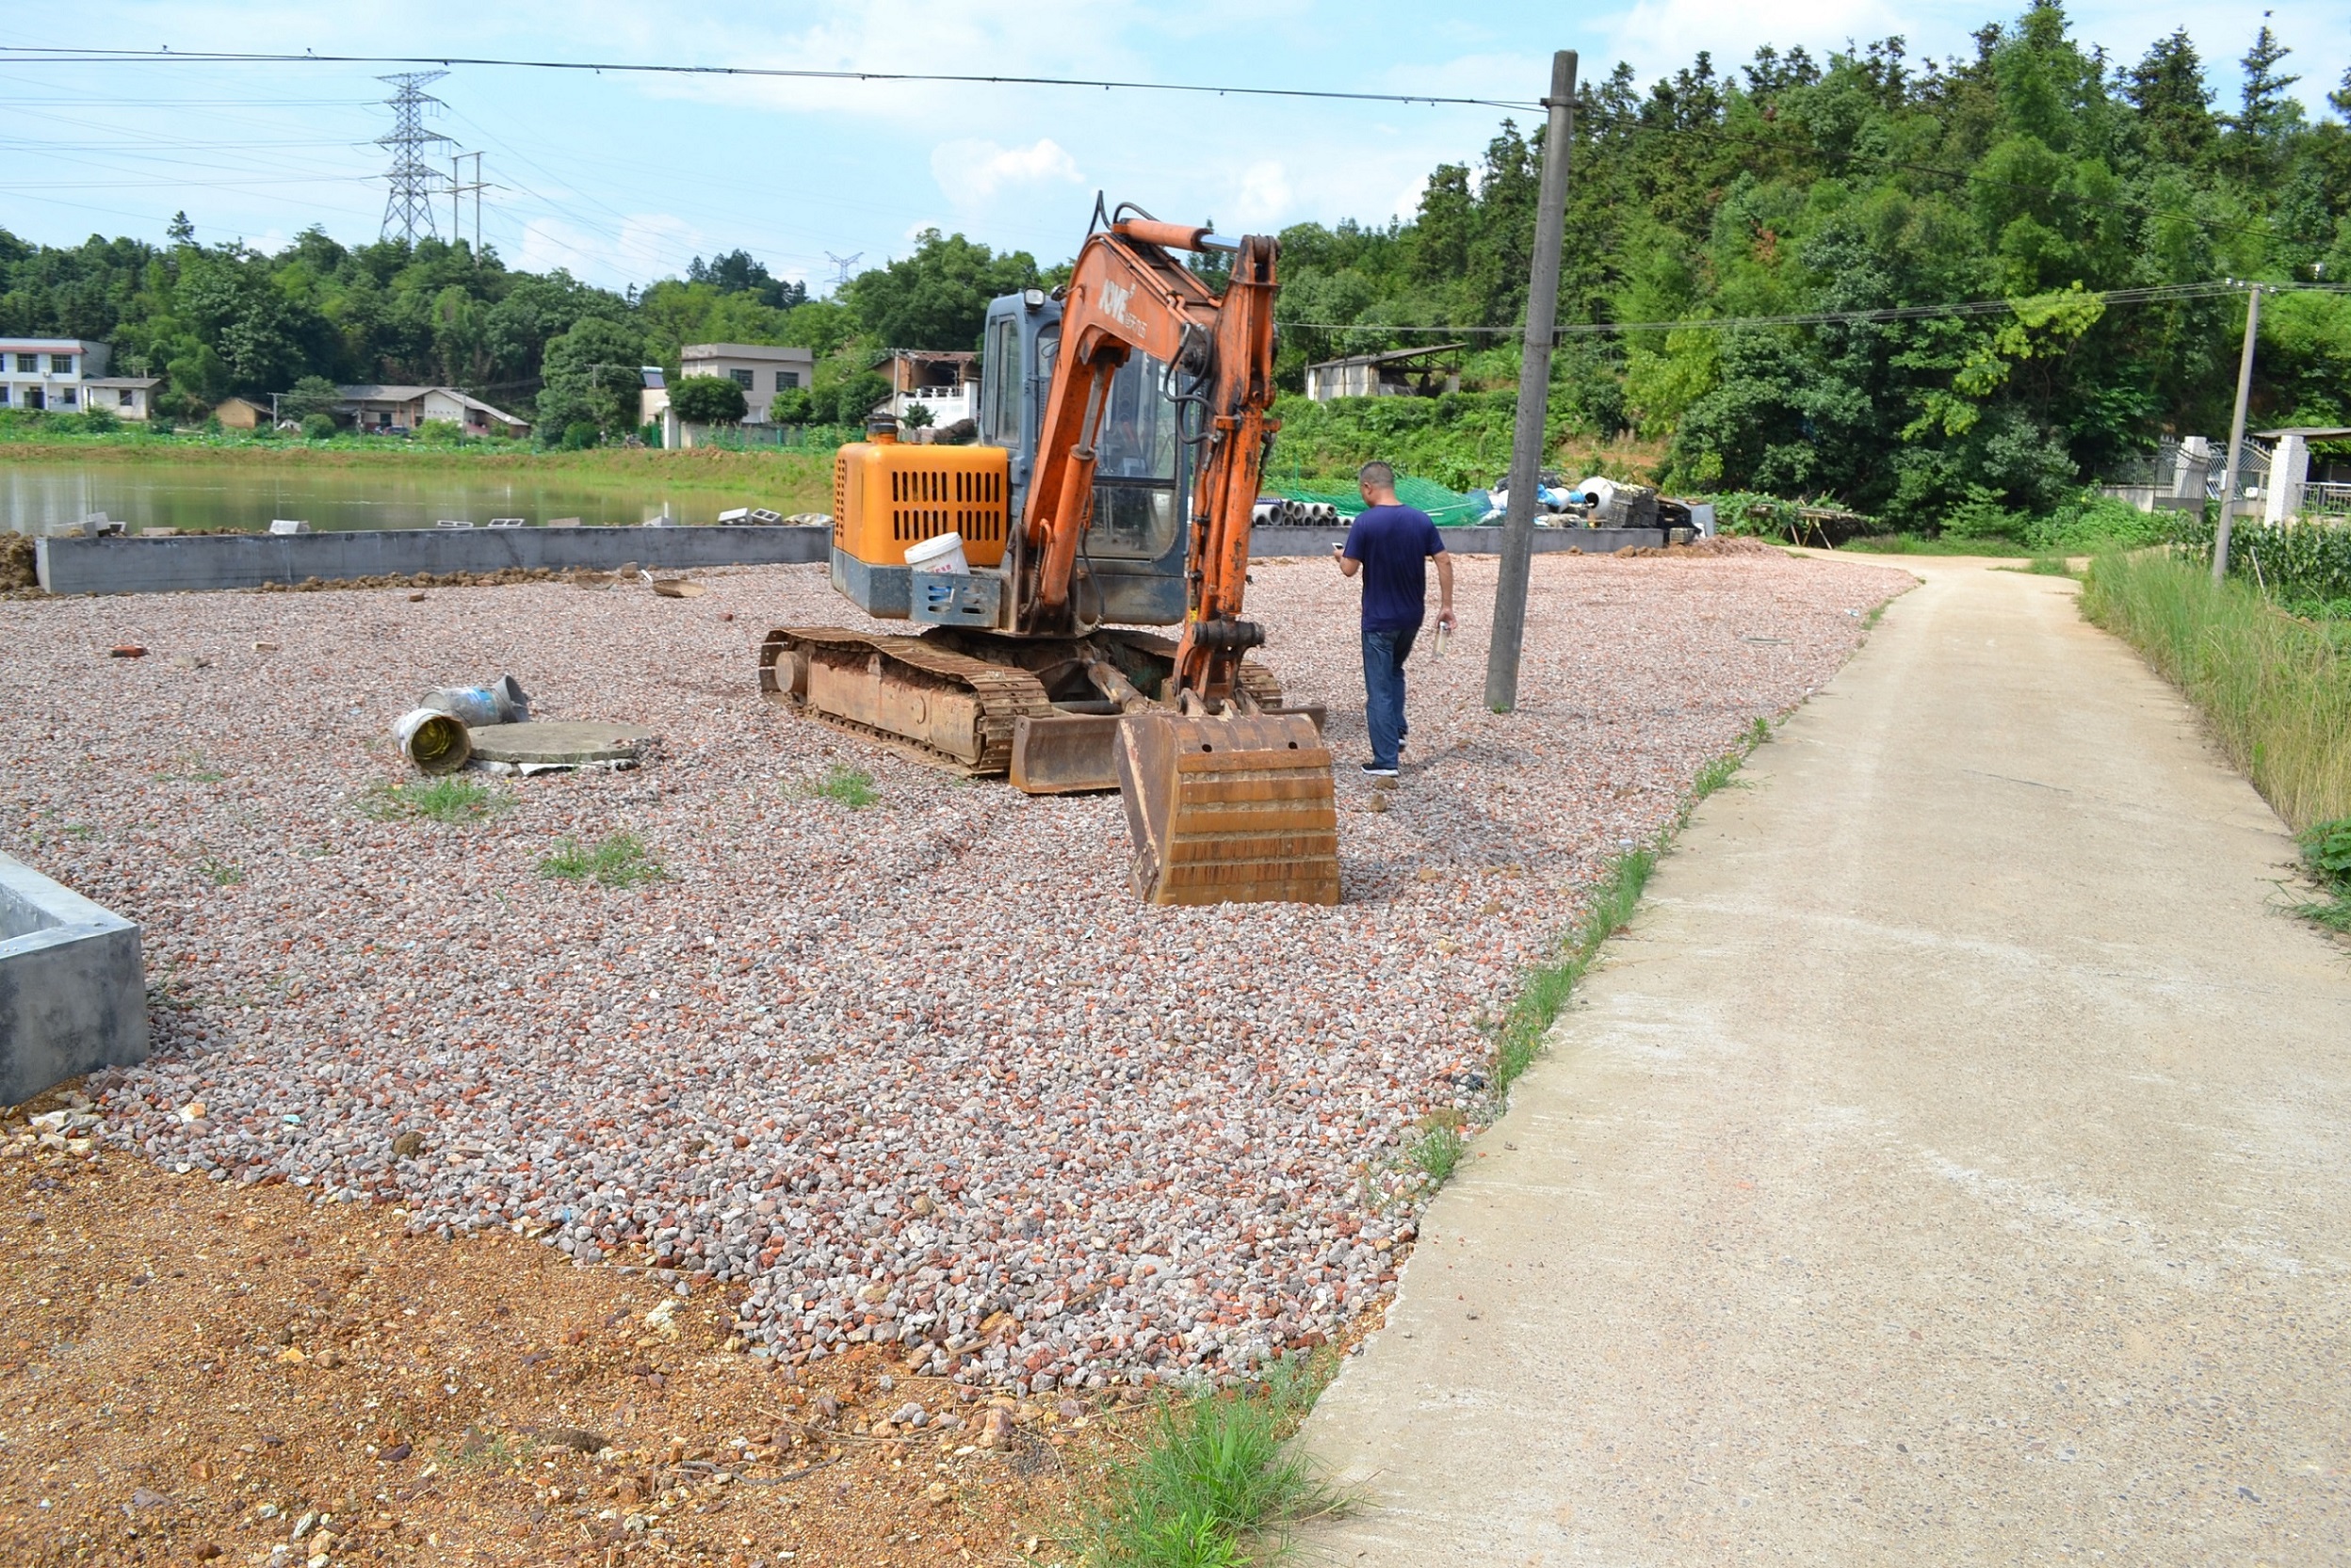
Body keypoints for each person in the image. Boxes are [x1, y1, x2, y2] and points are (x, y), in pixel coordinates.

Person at [1334, 460, 1454, 778]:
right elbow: (1443, 560)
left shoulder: (1365, 523)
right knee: (1395, 670)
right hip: (1411, 616)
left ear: (1368, 487)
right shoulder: (1420, 520)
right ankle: (1397, 731)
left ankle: (1386, 760)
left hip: (1378, 620)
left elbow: (1349, 569)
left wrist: (1340, 556)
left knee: (1379, 690)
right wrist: (1446, 605)